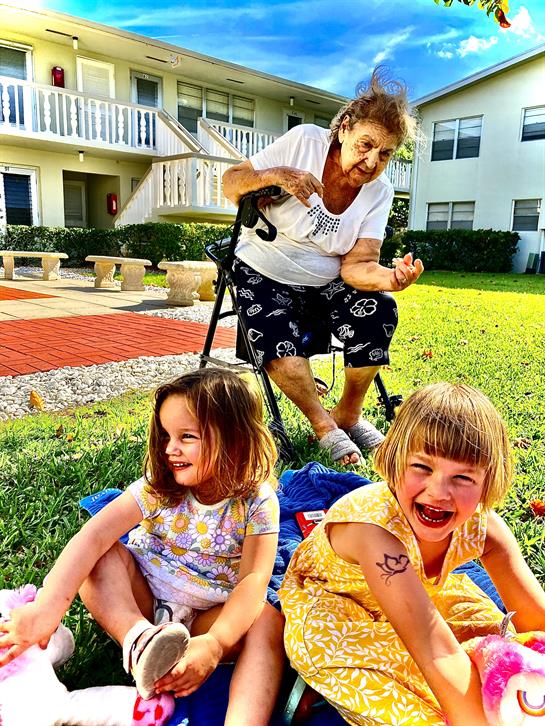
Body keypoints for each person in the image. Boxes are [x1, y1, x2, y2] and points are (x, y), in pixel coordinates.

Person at [0, 368, 284, 726]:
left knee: (268, 621)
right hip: (141, 598)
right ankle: (140, 644)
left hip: (208, 616)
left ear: (237, 440)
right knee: (101, 557)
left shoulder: (258, 501)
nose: (170, 449)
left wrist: (215, 643)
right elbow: (94, 535)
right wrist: (46, 609)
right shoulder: (157, 487)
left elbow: (253, 581)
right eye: (165, 435)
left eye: (187, 436)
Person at [279, 382, 545, 726]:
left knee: (504, 657)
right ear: (394, 460)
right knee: (421, 712)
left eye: (463, 476)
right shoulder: (375, 535)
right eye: (422, 467)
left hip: (423, 602)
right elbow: (436, 651)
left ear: (488, 482)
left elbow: (536, 617)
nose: (438, 491)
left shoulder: (482, 527)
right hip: (339, 615)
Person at [223, 67, 423, 467]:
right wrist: (276, 175)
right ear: (344, 129)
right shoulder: (304, 142)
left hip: (327, 278)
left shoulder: (379, 192)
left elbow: (357, 265)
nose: (371, 161)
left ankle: (348, 414)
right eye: (365, 144)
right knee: (273, 328)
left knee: (380, 308)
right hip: (264, 267)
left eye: (385, 153)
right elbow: (230, 183)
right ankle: (323, 426)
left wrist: (391, 278)